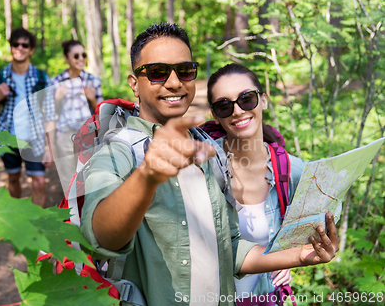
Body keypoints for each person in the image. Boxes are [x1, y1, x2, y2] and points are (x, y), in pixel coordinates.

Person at [80, 22, 338, 306]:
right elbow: (101, 240)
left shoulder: (209, 152)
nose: (174, 82)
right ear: (134, 83)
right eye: (157, 73)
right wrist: (147, 176)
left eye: (185, 70)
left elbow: (229, 247)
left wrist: (299, 256)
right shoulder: (117, 152)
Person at [204, 63, 306, 304]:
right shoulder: (202, 166)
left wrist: (289, 256)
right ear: (215, 115)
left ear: (264, 100)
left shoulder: (291, 169)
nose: (238, 111)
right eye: (224, 105)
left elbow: (321, 213)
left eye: (246, 99)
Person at [0, 28, 52, 208]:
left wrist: (50, 146)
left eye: (25, 45)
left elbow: (50, 114)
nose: (19, 48)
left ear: (31, 50)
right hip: (8, 139)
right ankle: (15, 222)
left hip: (35, 139)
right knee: (13, 179)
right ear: (11, 48)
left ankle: (37, 227)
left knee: (38, 182)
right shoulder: (0, 77)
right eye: (16, 44)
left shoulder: (42, 77)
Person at [47, 40, 103, 191]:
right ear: (66, 58)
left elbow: (101, 113)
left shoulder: (93, 81)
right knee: (67, 181)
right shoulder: (56, 82)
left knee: (89, 179)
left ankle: (87, 214)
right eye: (76, 55)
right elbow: (50, 114)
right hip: (64, 137)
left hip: (88, 136)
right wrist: (57, 99)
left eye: (83, 55)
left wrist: (92, 99)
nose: (80, 59)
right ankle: (72, 214)